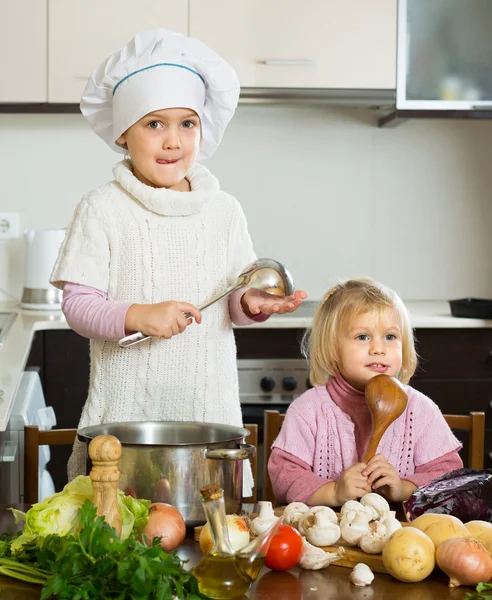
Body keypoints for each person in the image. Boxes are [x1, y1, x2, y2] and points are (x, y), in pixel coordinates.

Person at [50, 29, 306, 491]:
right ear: (123, 133)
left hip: (209, 417)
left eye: (187, 123)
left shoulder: (224, 210)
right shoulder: (101, 208)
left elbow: (233, 300)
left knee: (211, 541)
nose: (173, 140)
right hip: (125, 425)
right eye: (155, 124)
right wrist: (139, 315)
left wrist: (253, 305)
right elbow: (78, 306)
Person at [268, 278, 462, 506]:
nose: (379, 349)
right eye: (363, 337)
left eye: (390, 337)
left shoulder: (419, 410)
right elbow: (285, 477)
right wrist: (334, 492)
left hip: (398, 535)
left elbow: (448, 477)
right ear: (333, 349)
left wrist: (403, 488)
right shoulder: (307, 410)